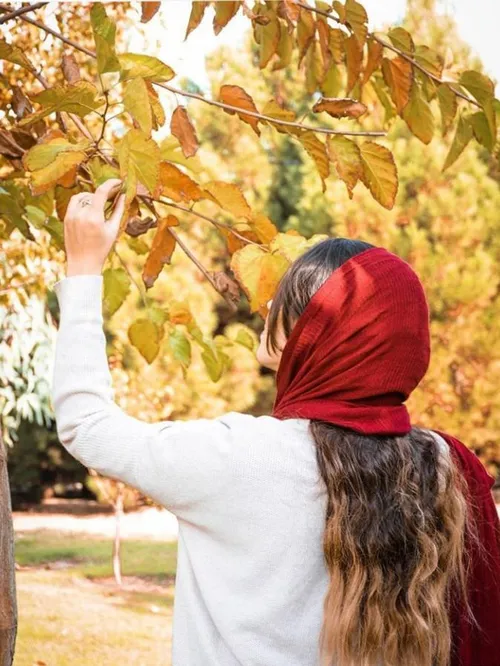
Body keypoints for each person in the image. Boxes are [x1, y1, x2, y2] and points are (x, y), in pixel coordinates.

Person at [51, 179, 500, 666]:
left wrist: (83, 268)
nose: (266, 307)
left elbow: (87, 425)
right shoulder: (443, 466)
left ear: (313, 333)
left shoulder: (238, 456)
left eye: (284, 299)